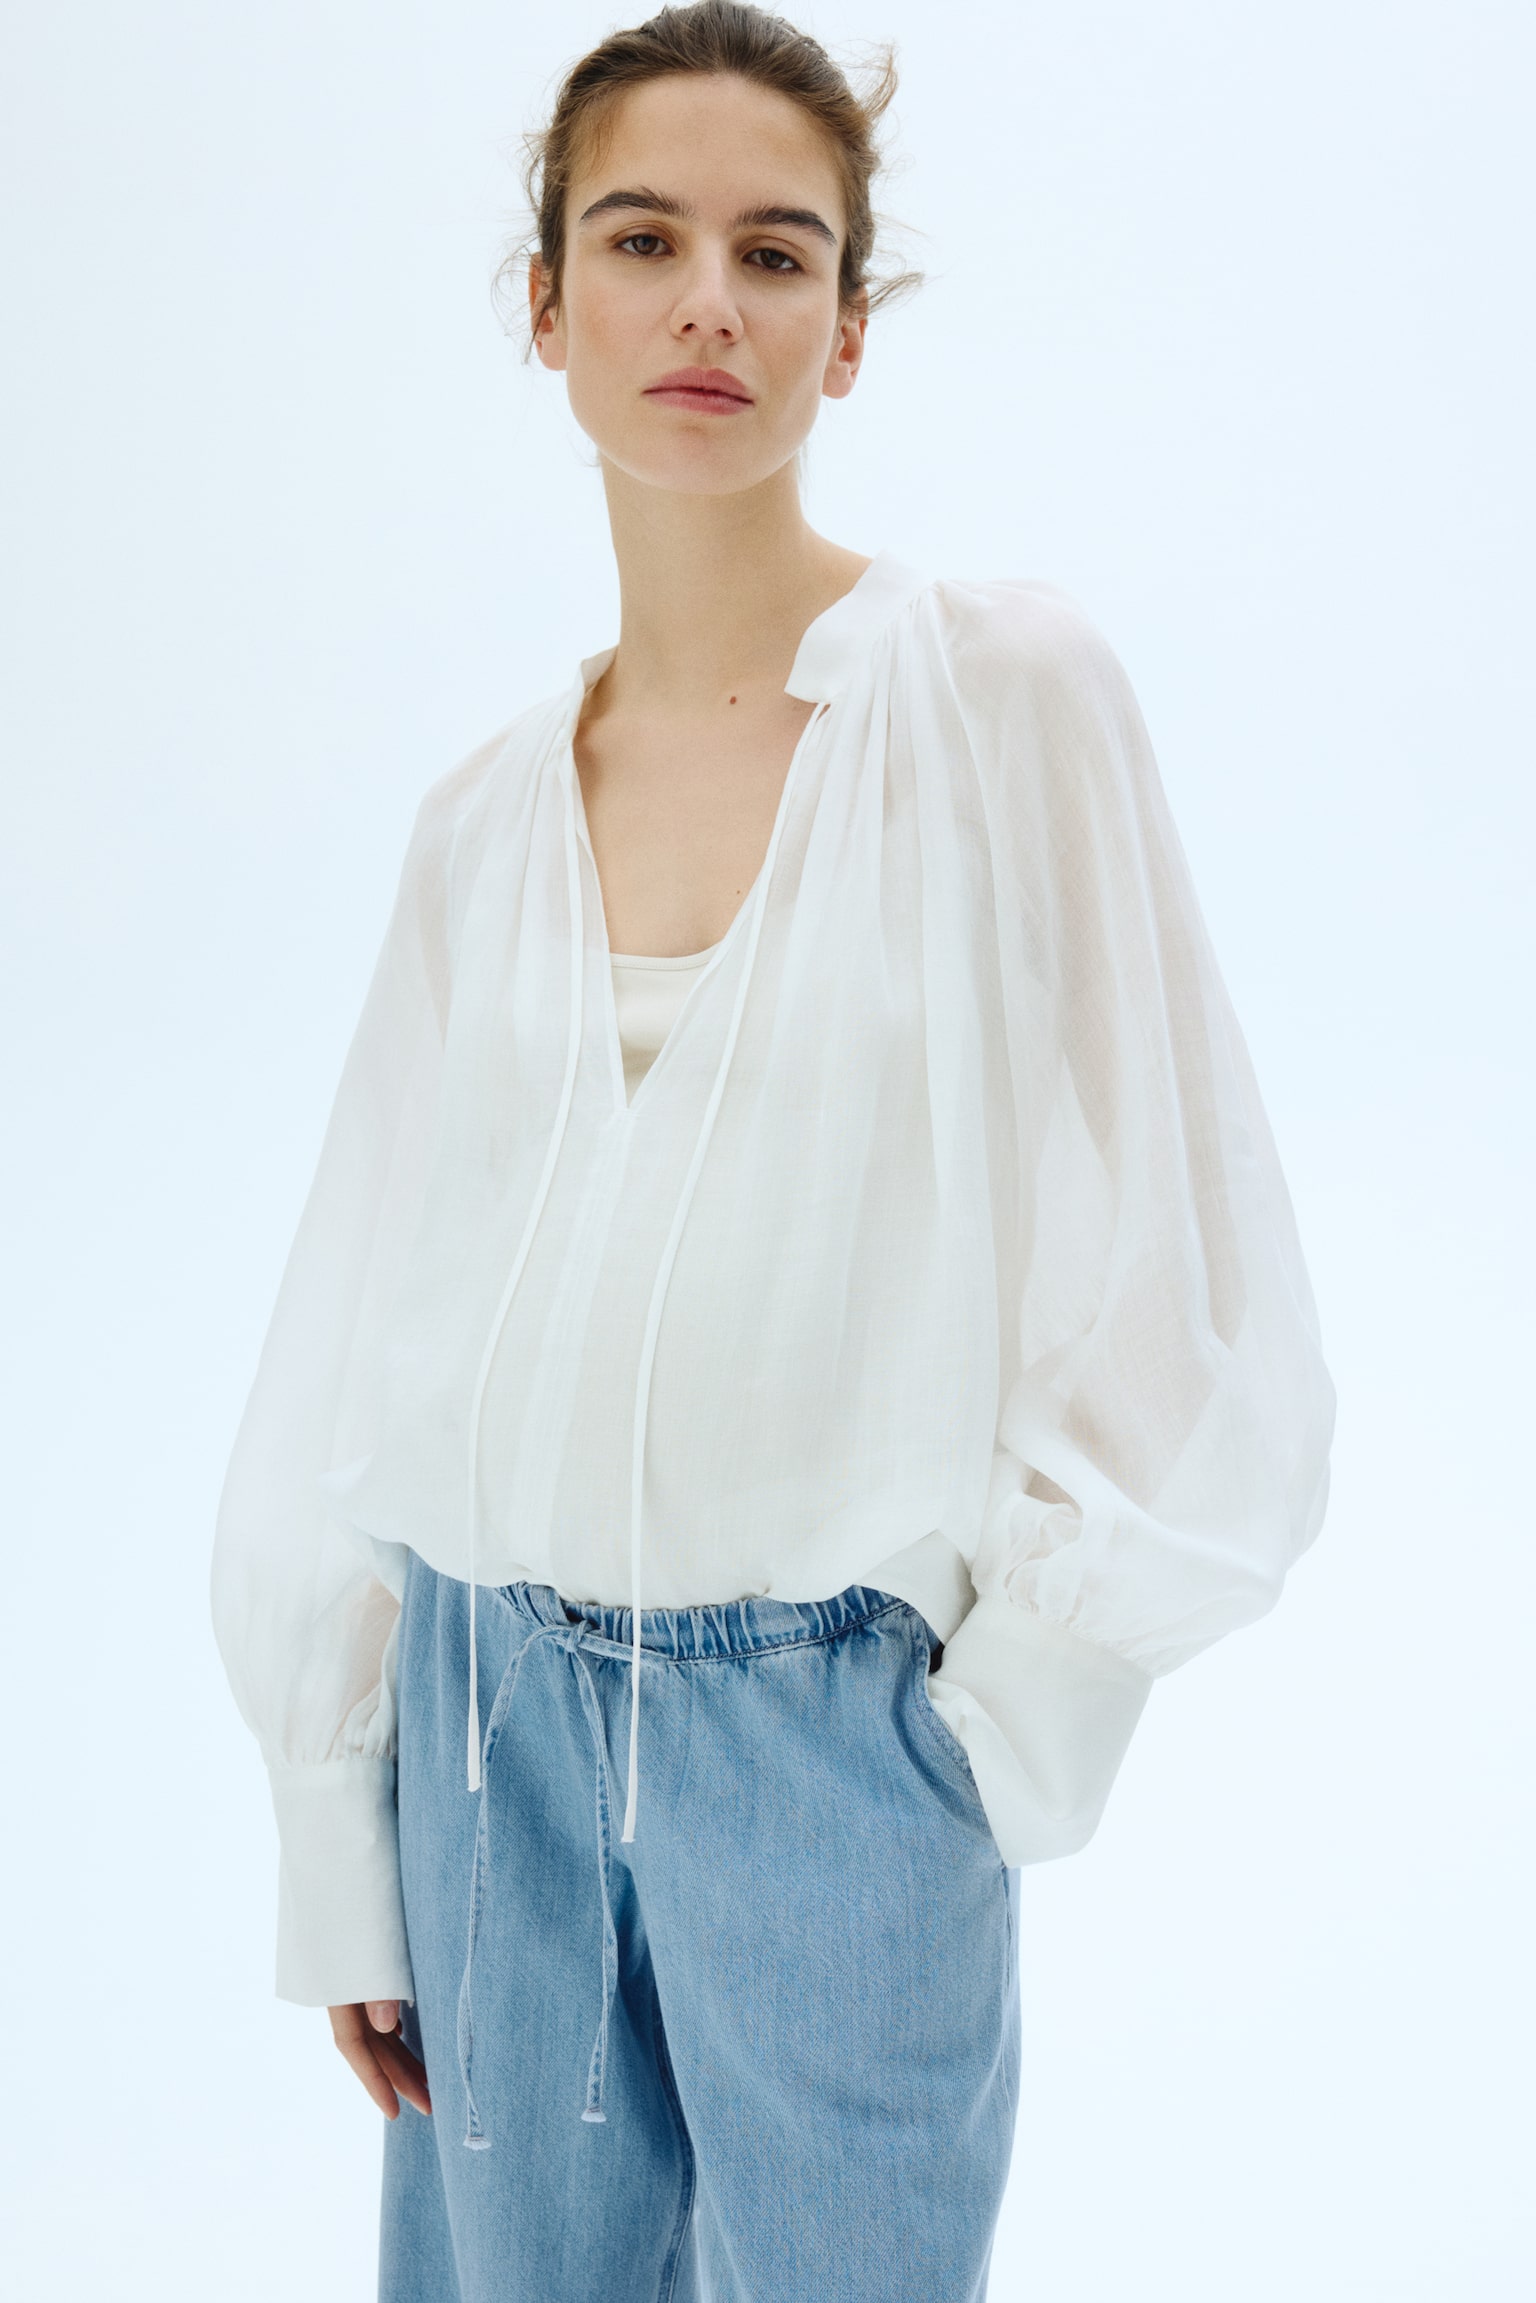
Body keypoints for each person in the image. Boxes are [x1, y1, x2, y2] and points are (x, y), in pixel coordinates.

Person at [211, 5, 1336, 2297]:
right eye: (643, 241)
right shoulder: (480, 825)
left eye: (776, 252)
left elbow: (1188, 1266)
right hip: (486, 1740)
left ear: (849, 326)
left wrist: (986, 1738)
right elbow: (367, 1313)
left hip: (836, 1739)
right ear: (548, 307)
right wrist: (346, 1816)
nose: (708, 303)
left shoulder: (997, 698)